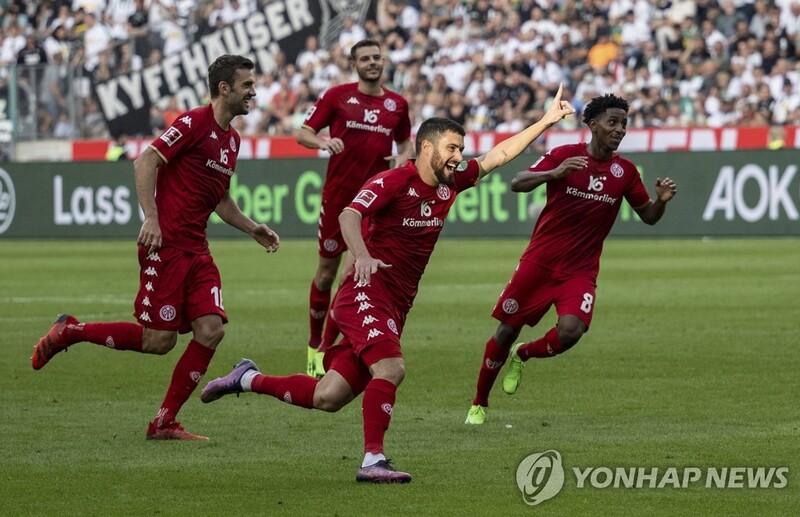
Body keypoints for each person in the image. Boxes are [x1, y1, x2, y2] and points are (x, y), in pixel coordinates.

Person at [200, 85, 576, 483]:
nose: (458, 157)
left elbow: (498, 156)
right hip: (365, 291)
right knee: (392, 368)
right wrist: (360, 255)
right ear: (426, 148)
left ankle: (245, 377)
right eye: (451, 148)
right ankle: (373, 461)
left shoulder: (452, 182)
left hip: (396, 303)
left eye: (460, 149)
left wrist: (546, 121)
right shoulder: (394, 181)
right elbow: (348, 215)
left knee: (328, 397)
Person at [30, 54, 281, 440]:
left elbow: (220, 199)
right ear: (224, 88)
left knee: (211, 330)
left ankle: (164, 422)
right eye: (247, 85)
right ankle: (71, 332)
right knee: (158, 341)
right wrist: (151, 216)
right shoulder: (193, 123)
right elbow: (145, 161)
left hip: (197, 250)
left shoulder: (231, 140)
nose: (254, 91)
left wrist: (252, 228)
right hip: (166, 247)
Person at [465, 93, 678, 425]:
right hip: (539, 262)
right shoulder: (565, 155)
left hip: (579, 271)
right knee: (505, 331)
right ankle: (479, 403)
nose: (620, 129)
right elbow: (517, 183)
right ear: (593, 125)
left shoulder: (625, 171)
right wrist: (555, 173)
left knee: (570, 331)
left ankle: (523, 355)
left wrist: (661, 201)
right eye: (613, 122)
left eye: (624, 123)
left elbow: (648, 216)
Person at [296, 39, 413, 378]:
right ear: (355, 63)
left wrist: (404, 156)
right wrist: (323, 141)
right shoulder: (337, 96)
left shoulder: (397, 104)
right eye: (366, 58)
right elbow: (303, 133)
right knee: (327, 274)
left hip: (374, 204)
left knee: (351, 274)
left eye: (377, 57)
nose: (373, 62)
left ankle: (324, 351)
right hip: (337, 200)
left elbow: (405, 140)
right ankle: (313, 341)